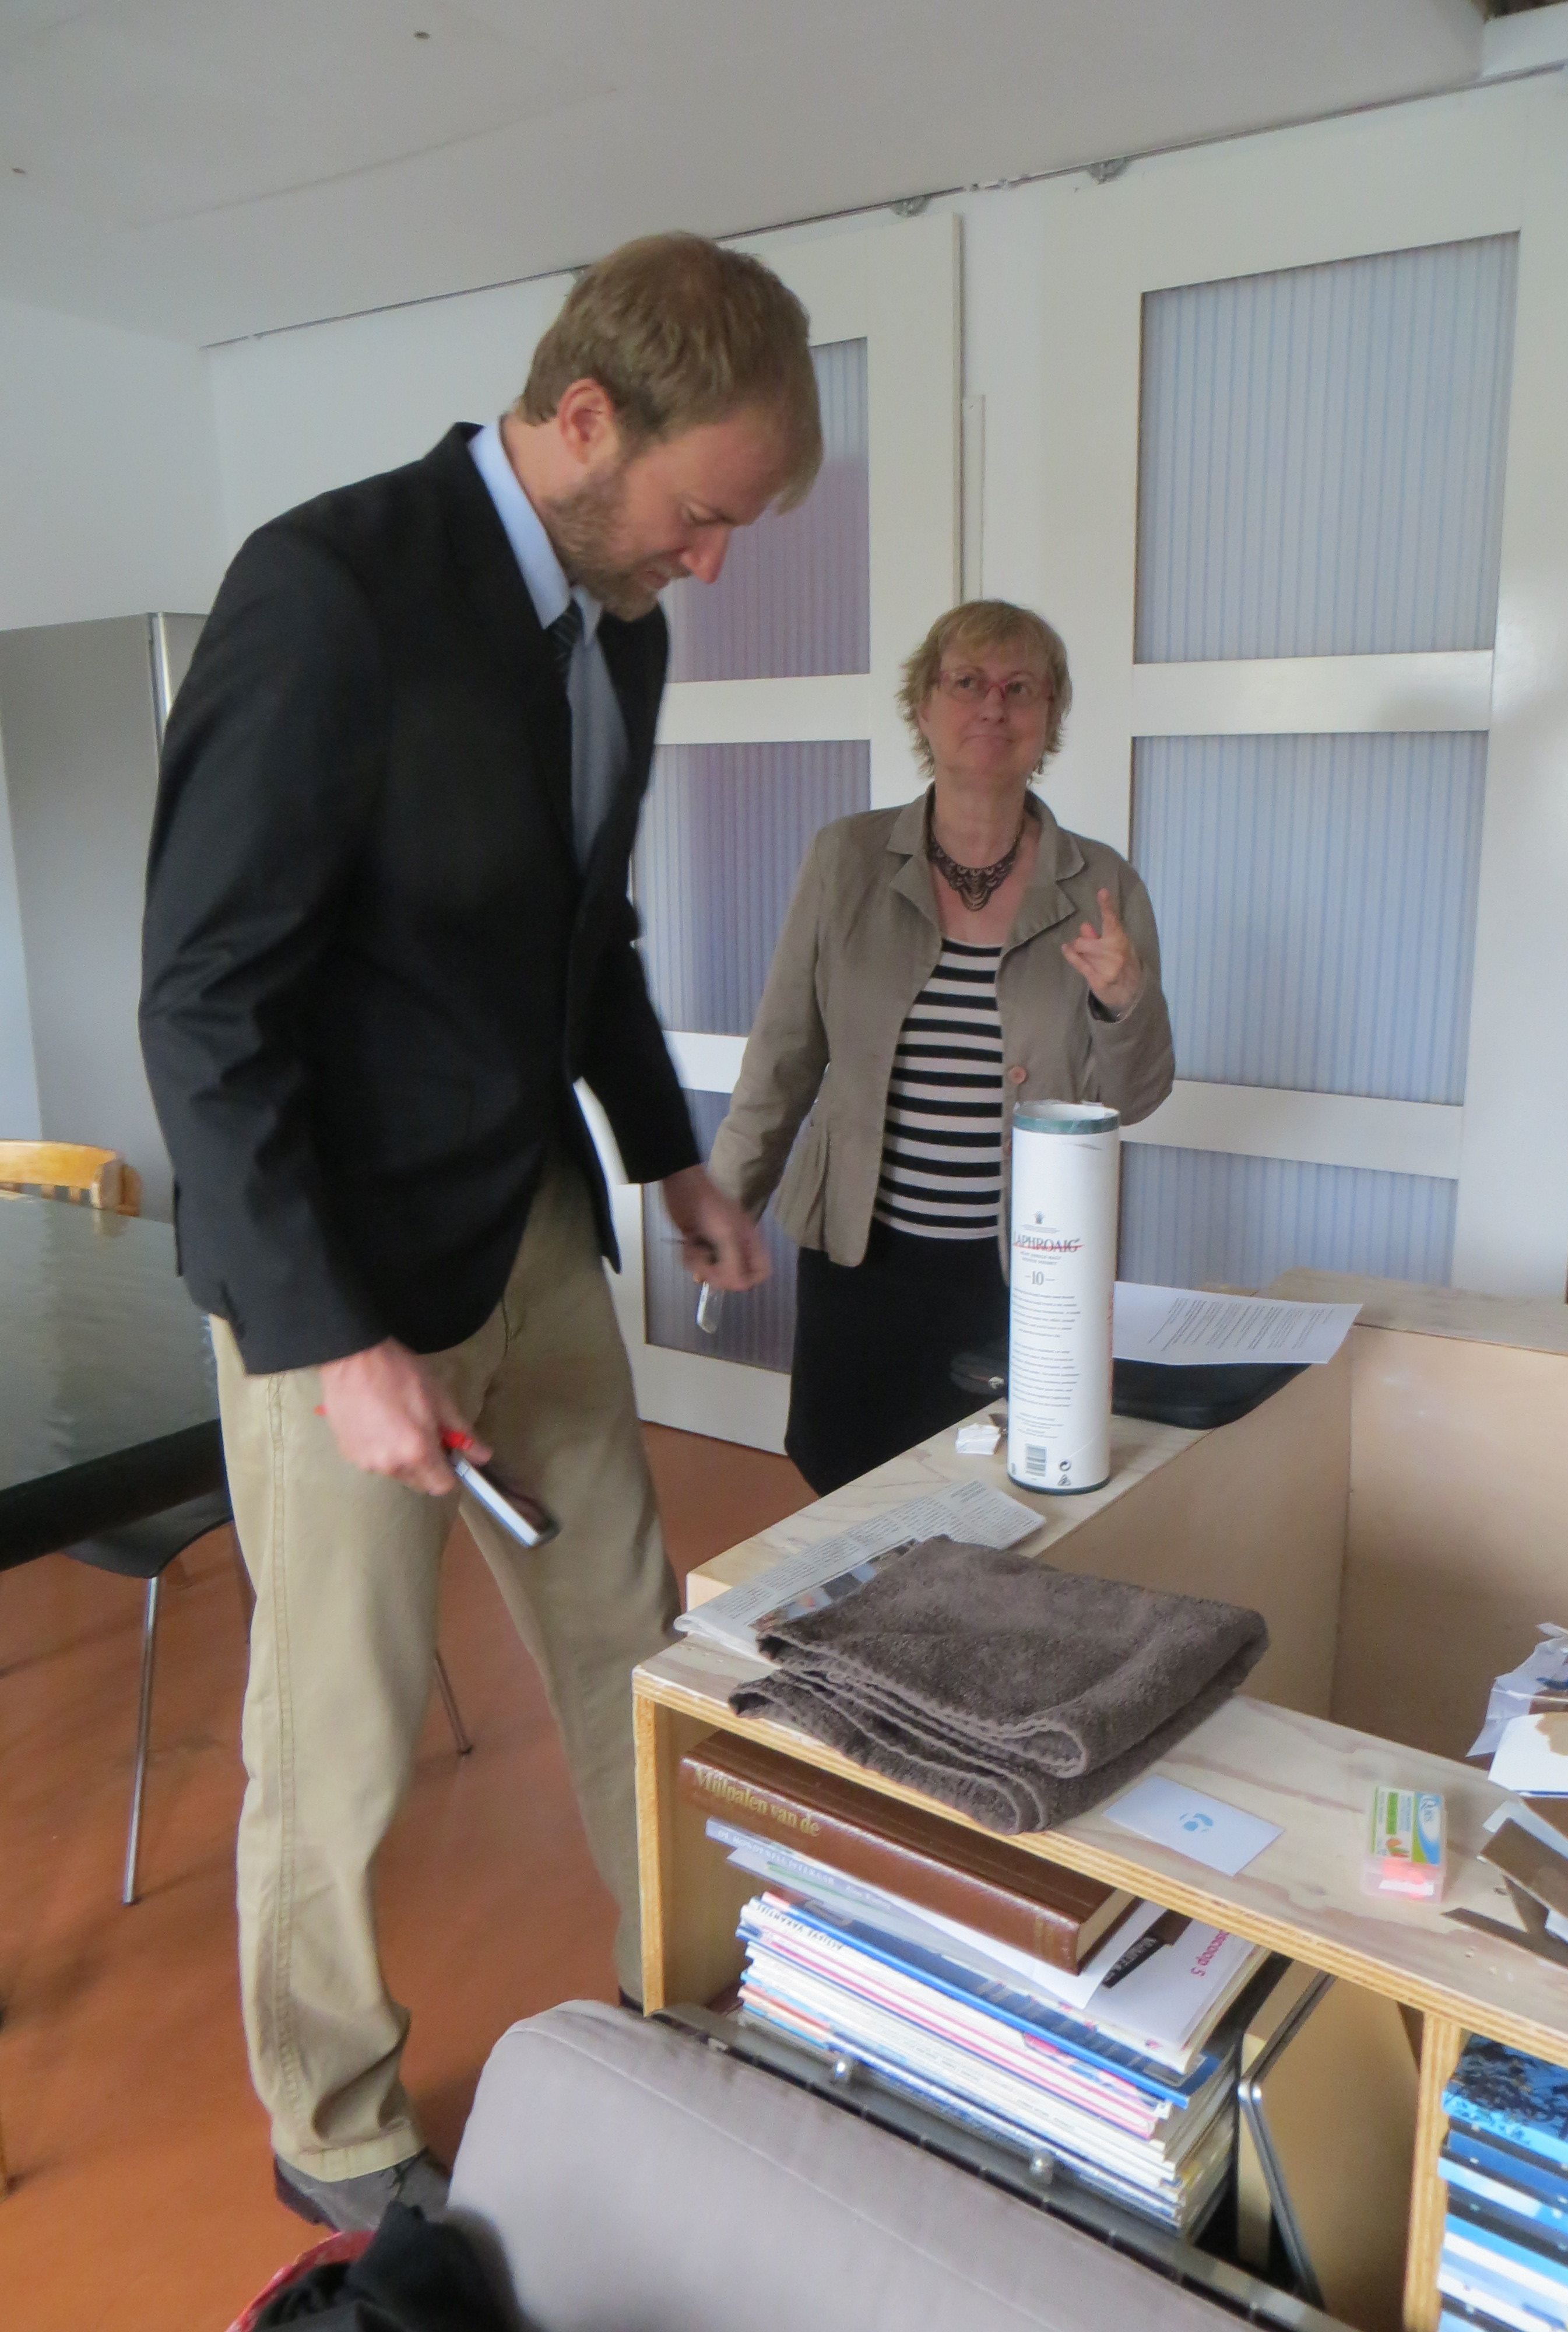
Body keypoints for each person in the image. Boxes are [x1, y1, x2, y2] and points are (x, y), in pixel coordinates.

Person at [138, 234, 818, 2232]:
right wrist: (324, 1335)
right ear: (586, 420)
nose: (713, 564)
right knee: (340, 1736)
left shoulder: (624, 628)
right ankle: (333, 2119)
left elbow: (581, 935)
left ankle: (694, 1998)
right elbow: (205, 1004)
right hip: (342, 1277)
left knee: (635, 1644)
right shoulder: (327, 592)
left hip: (527, 1230)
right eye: (703, 514)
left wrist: (672, 1160)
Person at [709, 599, 1174, 1495]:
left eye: (1020, 688)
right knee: (847, 1480)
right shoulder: (845, 860)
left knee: (1000, 1494)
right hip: (861, 1256)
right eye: (967, 682)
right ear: (923, 706)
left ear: (1049, 717)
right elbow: (783, 1056)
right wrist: (727, 1201)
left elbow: (1136, 1098)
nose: (993, 706)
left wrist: (1124, 1001)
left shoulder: (1103, 884)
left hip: (1021, 1268)